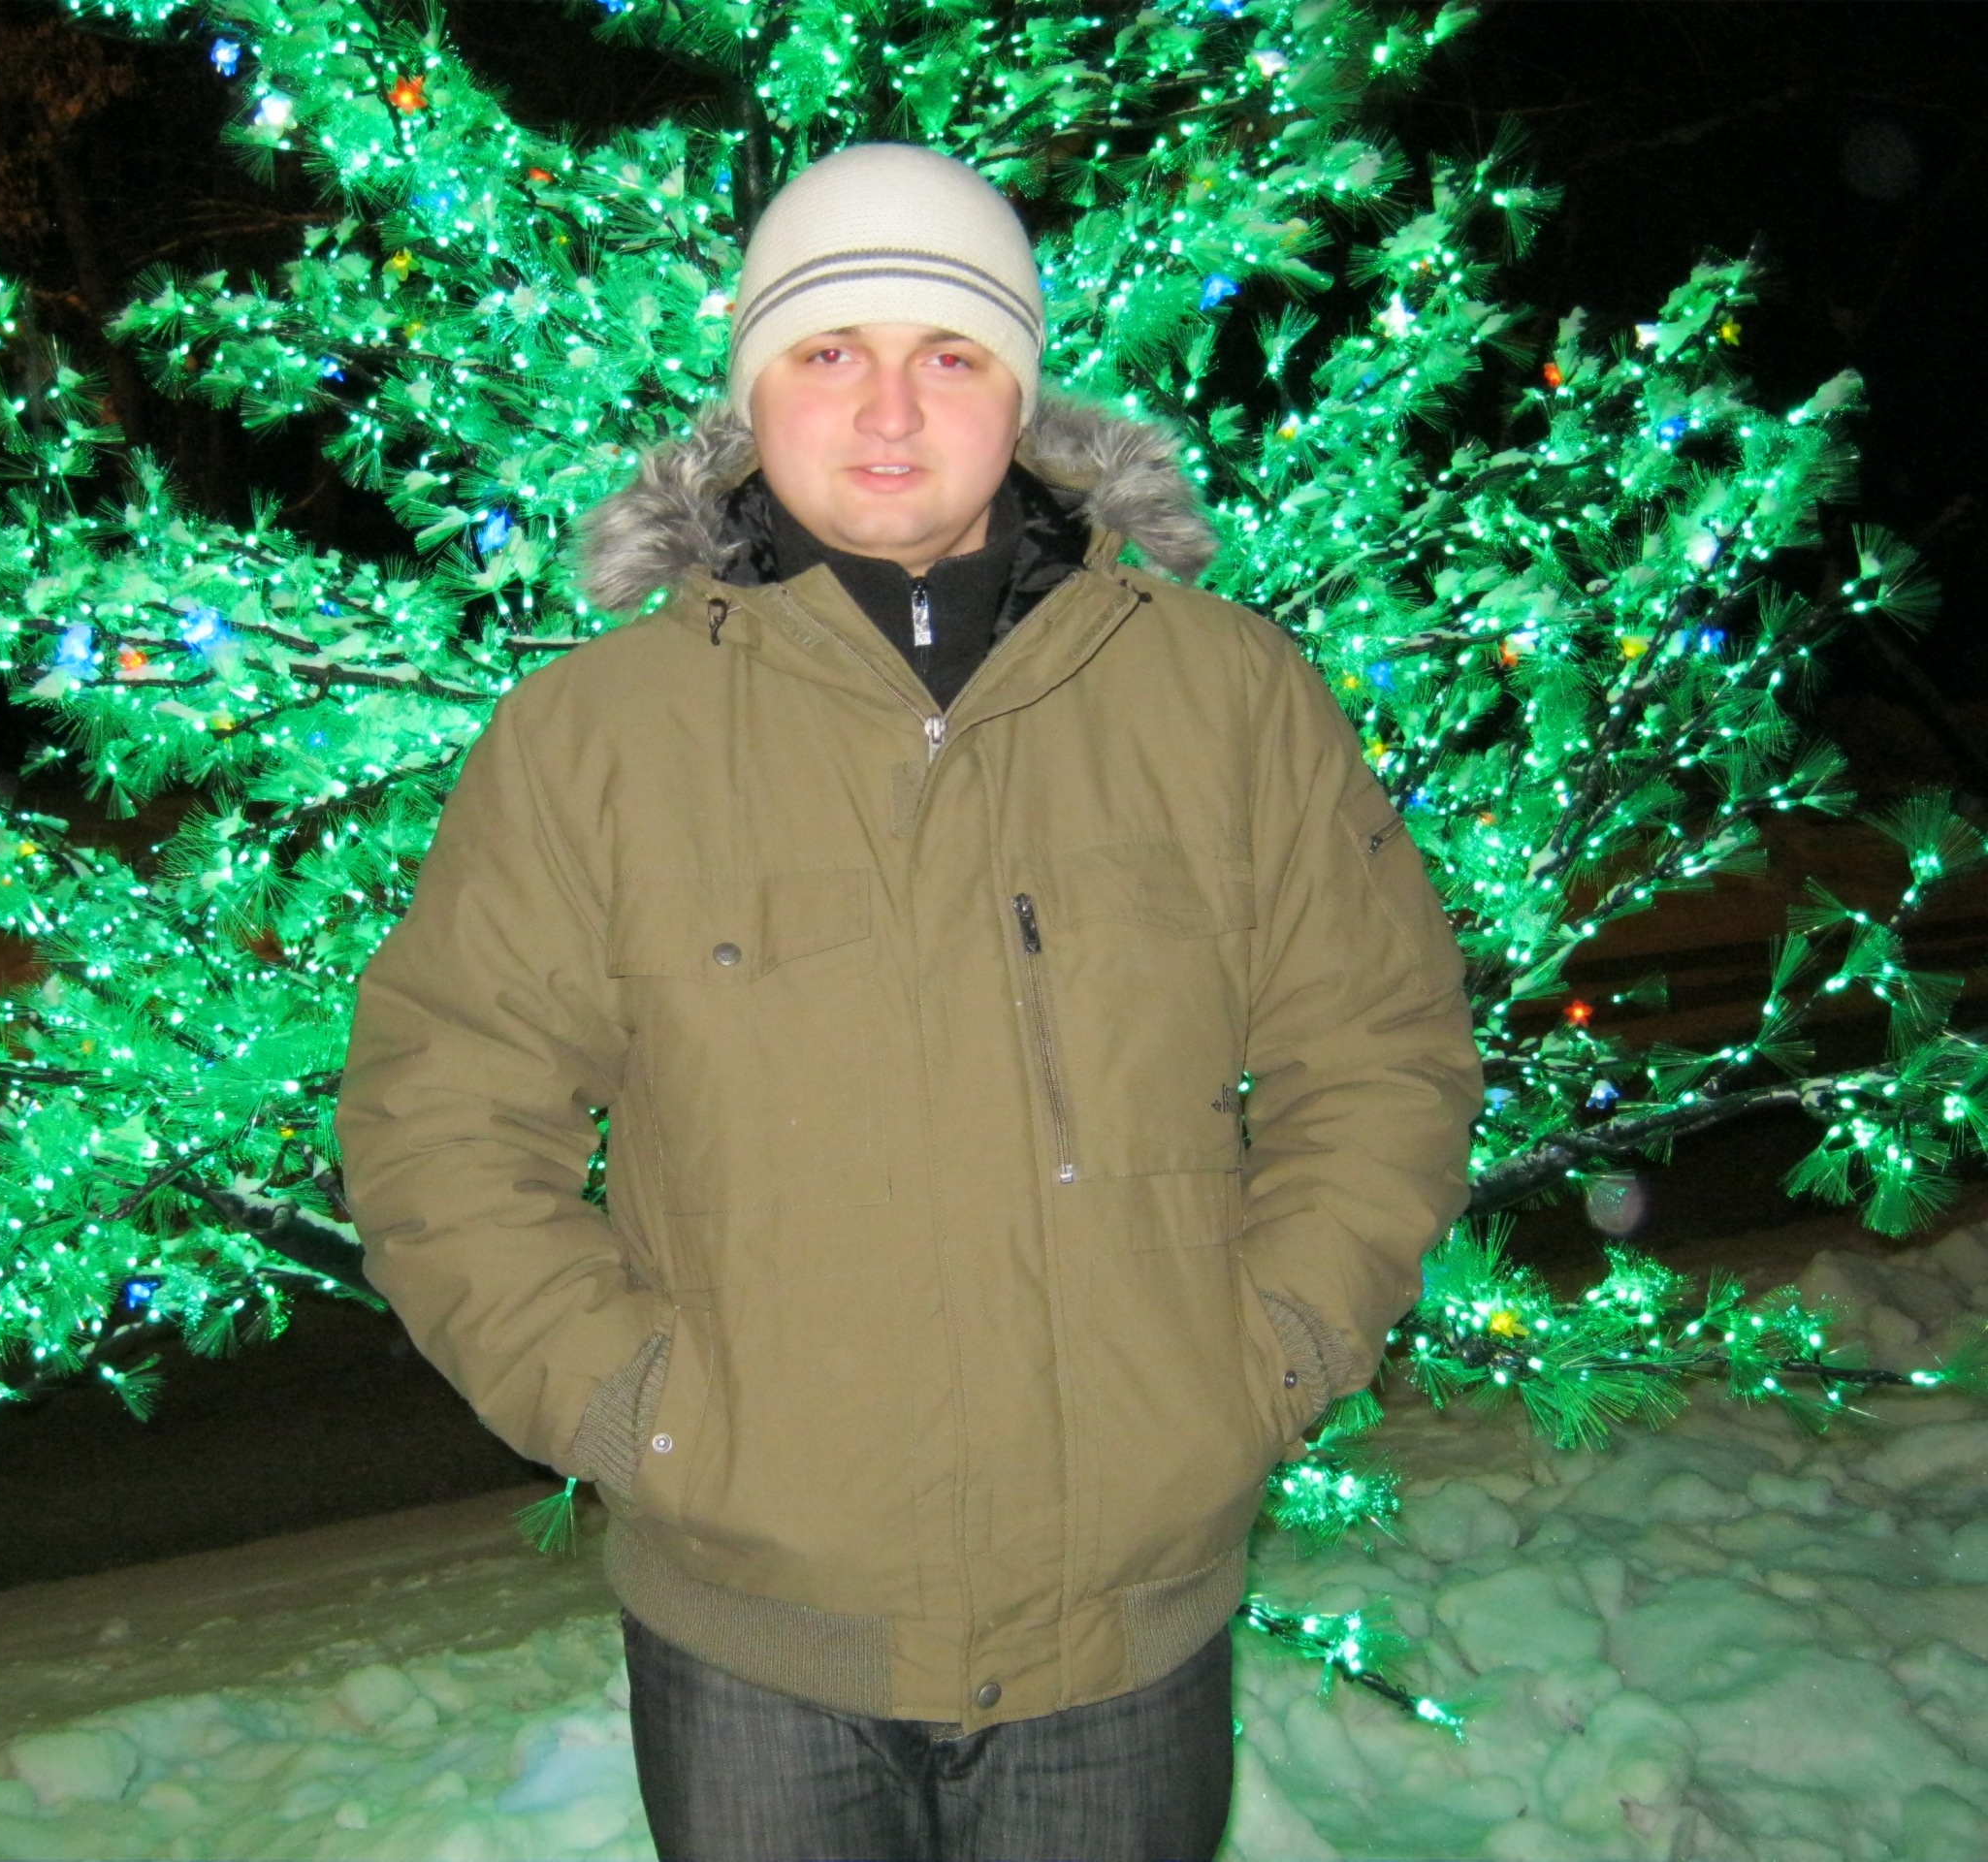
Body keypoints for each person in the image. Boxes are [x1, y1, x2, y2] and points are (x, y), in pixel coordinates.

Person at [332, 144, 1482, 1861]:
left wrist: (1271, 1353)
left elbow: (1378, 1054)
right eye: (828, 351)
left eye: (948, 353)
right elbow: (440, 1124)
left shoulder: (1225, 695)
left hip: (1124, 1636)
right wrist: (634, 1410)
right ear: (753, 393)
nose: (888, 410)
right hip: (753, 1649)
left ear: (1021, 390)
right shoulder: (590, 744)